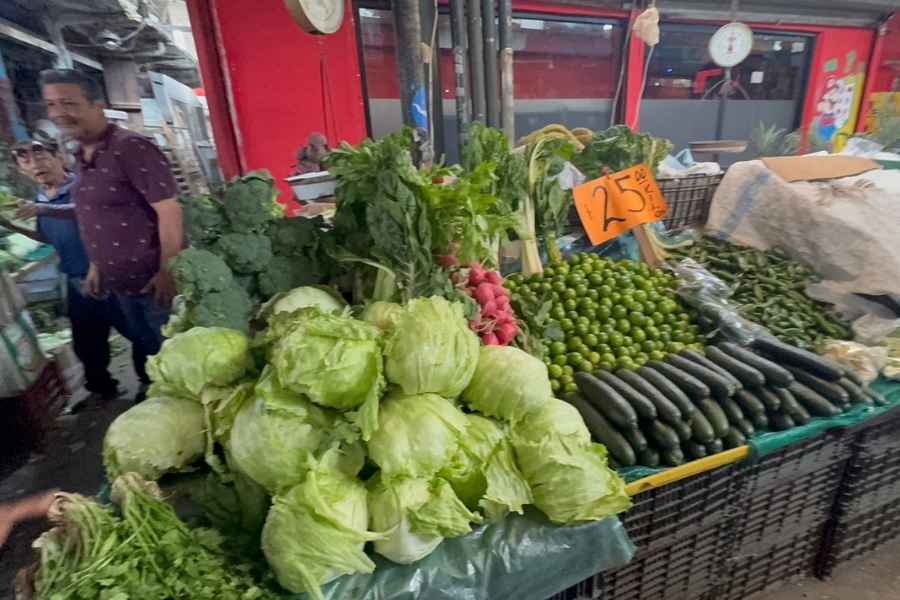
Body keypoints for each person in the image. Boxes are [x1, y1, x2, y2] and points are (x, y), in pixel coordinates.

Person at [40, 69, 184, 387]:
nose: (59, 112)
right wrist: (96, 264)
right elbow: (96, 214)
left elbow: (170, 212)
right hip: (119, 284)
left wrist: (168, 272)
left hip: (152, 284)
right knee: (148, 352)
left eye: (69, 102)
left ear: (97, 106)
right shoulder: (80, 155)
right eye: (51, 105)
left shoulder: (132, 148)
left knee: (177, 360)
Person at [0, 137, 141, 399]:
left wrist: (43, 209)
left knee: (139, 333)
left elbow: (89, 210)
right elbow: (47, 235)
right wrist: (14, 226)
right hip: (75, 280)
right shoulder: (39, 199)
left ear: (60, 158)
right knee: (87, 345)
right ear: (21, 170)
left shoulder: (82, 185)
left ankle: (149, 381)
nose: (35, 164)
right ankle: (102, 387)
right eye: (26, 160)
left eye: (41, 155)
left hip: (108, 274)